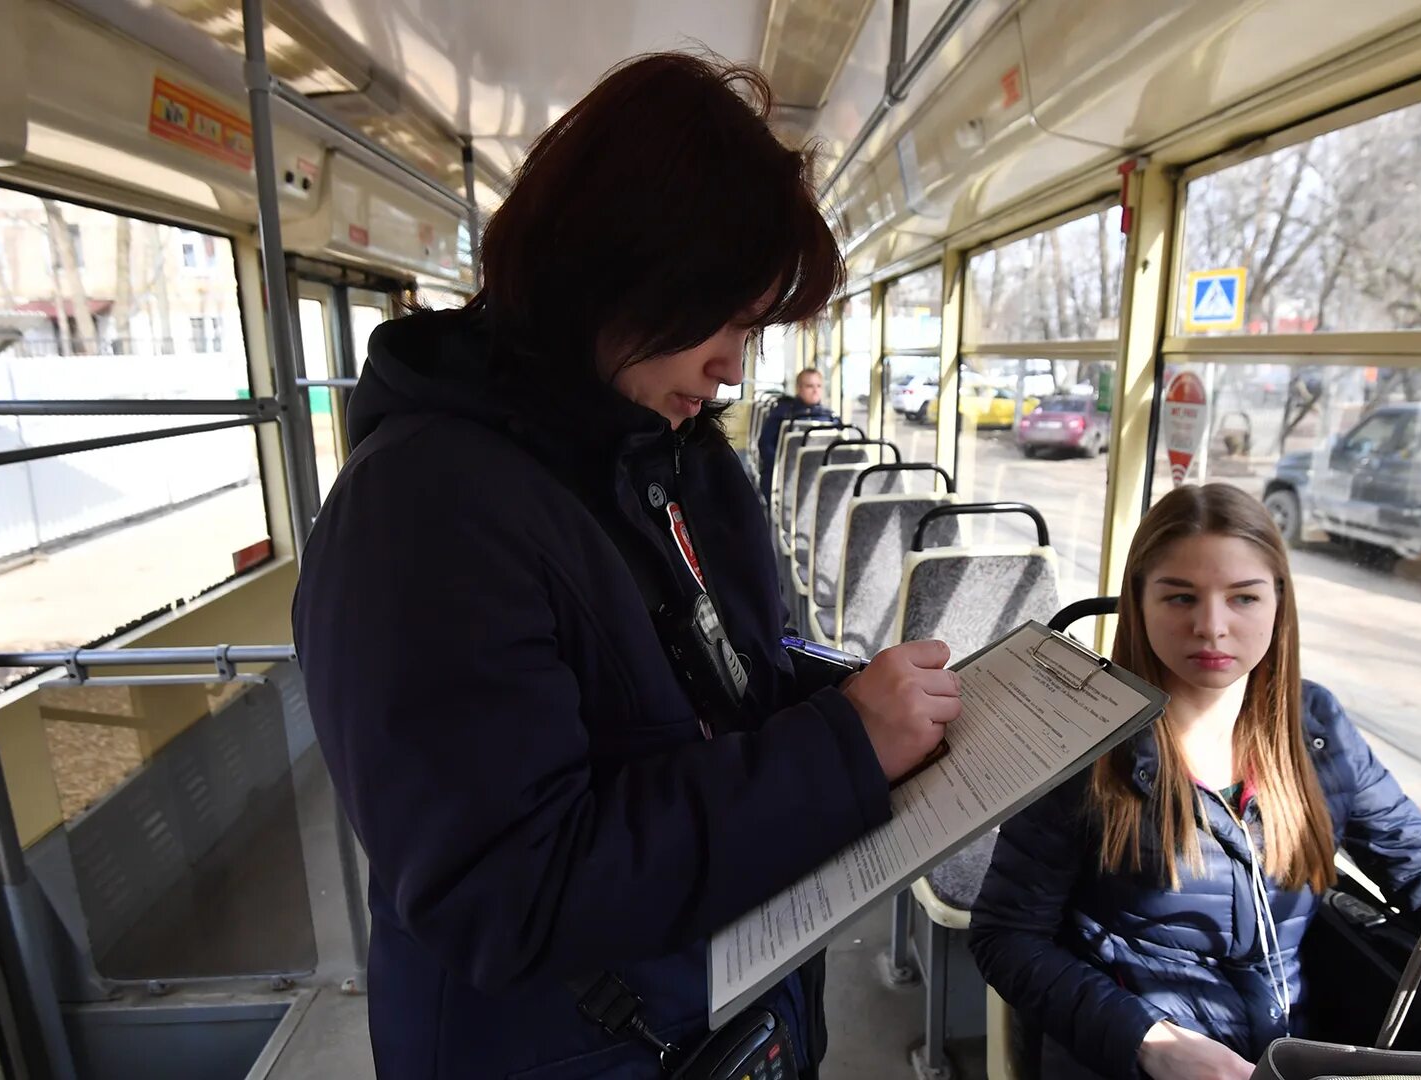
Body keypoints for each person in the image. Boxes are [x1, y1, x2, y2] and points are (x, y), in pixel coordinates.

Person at [292, 53, 961, 1079]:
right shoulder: (423, 514)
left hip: (703, 1014)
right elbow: (511, 887)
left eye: (753, 326)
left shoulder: (669, 457)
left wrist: (865, 706)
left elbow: (715, 688)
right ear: (623, 265)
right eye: (726, 318)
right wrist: (841, 750)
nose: (737, 363)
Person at [968, 483, 1421, 1080]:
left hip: (1289, 1045)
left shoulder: (1313, 730)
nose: (1213, 627)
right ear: (1139, 603)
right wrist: (1148, 1042)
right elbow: (1007, 936)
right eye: (1180, 597)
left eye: (1243, 598)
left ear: (1278, 603)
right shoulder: (1086, 746)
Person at [758, 367, 836, 499]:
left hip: (818, 474)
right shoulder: (783, 413)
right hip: (784, 474)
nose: (815, 390)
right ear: (799, 388)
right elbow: (765, 444)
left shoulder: (830, 418)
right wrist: (782, 468)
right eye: (810, 386)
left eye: (819, 386)